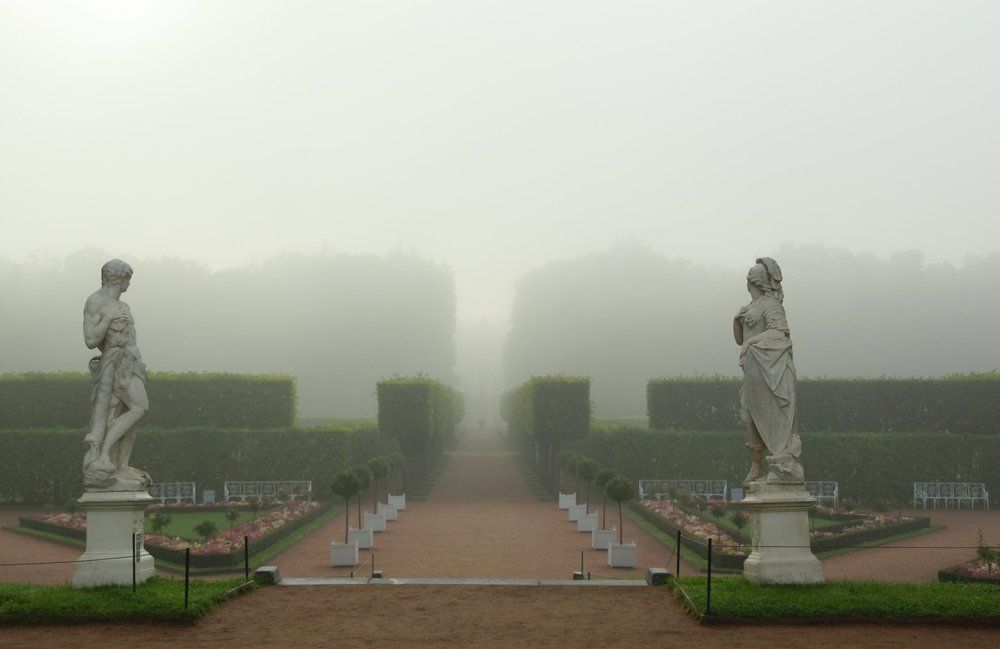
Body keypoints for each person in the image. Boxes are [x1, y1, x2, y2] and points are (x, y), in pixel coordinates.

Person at [733, 257, 804, 485]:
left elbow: (780, 333)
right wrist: (738, 321)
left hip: (772, 373)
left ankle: (779, 464)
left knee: (773, 422)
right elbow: (739, 339)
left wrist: (751, 344)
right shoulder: (751, 307)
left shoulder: (771, 305)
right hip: (754, 374)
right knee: (747, 418)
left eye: (749, 278)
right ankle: (757, 463)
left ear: (754, 281)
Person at [82, 259, 151, 490]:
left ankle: (121, 467)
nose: (128, 285)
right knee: (139, 407)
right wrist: (108, 319)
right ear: (118, 278)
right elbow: (91, 340)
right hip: (114, 364)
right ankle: (102, 455)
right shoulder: (96, 301)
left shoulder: (125, 306)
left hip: (131, 363)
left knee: (130, 415)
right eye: (127, 280)